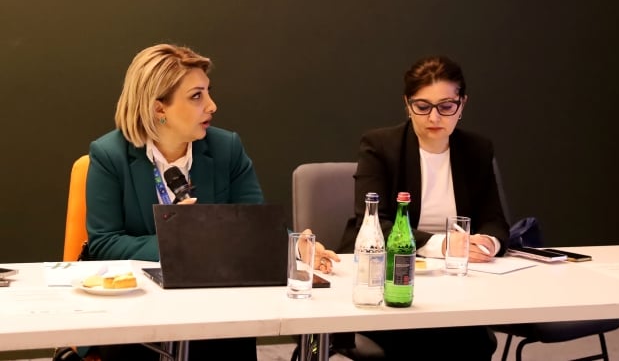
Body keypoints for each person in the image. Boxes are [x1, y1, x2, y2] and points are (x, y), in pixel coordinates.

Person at [82, 44, 338, 361]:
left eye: (208, 92)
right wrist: (176, 240)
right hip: (136, 314)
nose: (212, 106)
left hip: (218, 310)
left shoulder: (226, 148)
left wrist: (293, 245)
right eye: (196, 96)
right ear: (159, 108)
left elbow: (252, 225)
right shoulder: (110, 155)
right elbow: (105, 243)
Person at [339, 55, 510, 360]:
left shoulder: (477, 150)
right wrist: (445, 245)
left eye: (446, 107)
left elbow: (495, 219)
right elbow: (377, 224)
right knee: (428, 342)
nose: (434, 118)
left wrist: (486, 243)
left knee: (473, 341)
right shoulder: (380, 147)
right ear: (407, 104)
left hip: (459, 286)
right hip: (390, 280)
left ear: (462, 104)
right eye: (423, 106)